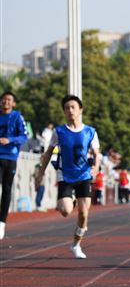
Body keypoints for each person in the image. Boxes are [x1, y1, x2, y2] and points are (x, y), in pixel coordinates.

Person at [35, 95, 101, 258]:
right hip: (65, 175)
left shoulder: (90, 131)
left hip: (84, 174)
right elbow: (49, 153)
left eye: (73, 107)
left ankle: (76, 245)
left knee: (83, 214)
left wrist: (96, 168)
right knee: (65, 211)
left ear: (80, 110)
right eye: (67, 108)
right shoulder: (59, 131)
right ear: (64, 111)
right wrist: (40, 174)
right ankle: (65, 201)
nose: (70, 110)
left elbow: (97, 153)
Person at [0, 91, 28, 239]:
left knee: (6, 189)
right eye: (4, 99)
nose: (6, 102)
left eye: (9, 100)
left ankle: (1, 222)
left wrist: (9, 140)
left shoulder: (17, 117)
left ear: (14, 103)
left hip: (10, 157)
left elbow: (24, 136)